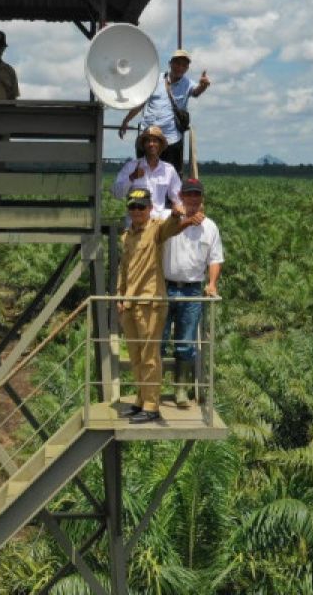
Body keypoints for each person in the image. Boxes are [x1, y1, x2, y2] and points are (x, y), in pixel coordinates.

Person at [115, 187, 198, 424]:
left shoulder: (156, 229)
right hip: (130, 304)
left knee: (150, 356)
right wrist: (119, 296)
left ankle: (152, 406)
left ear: (150, 208)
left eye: (141, 207)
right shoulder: (127, 235)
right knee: (136, 356)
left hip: (150, 302)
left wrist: (176, 214)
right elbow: (124, 269)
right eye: (133, 206)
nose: (137, 211)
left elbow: (171, 227)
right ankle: (141, 400)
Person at [161, 178, 224, 407]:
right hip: (165, 287)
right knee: (159, 340)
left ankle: (180, 391)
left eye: (196, 195)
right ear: (181, 197)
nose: (193, 199)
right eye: (188, 195)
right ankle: (151, 391)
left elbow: (216, 258)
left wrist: (213, 283)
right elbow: (158, 228)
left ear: (202, 198)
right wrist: (180, 216)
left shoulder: (210, 227)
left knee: (186, 343)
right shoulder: (170, 220)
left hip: (192, 291)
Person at [118, 48, 210, 172]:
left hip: (171, 139)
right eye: (177, 63)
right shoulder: (155, 80)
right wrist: (126, 120)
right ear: (170, 63)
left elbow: (196, 92)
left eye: (184, 65)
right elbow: (140, 103)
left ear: (187, 68)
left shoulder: (188, 83)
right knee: (143, 175)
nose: (180, 67)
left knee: (170, 177)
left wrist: (203, 86)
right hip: (148, 137)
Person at [110, 126, 181, 218]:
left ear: (160, 145)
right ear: (143, 145)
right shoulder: (131, 166)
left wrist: (177, 206)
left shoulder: (169, 170)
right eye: (148, 141)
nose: (151, 144)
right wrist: (132, 177)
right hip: (135, 223)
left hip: (158, 223)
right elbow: (116, 193)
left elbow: (179, 197)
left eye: (155, 141)